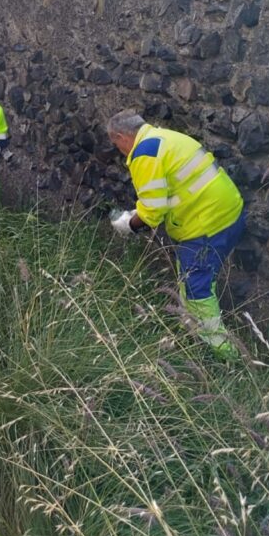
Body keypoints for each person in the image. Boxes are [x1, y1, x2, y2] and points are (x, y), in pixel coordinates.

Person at [107, 112, 246, 361]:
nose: (120, 151)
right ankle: (193, 331)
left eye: (117, 145)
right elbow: (168, 192)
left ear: (121, 136)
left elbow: (151, 214)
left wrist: (127, 225)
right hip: (229, 210)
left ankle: (227, 355)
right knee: (189, 276)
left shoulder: (144, 154)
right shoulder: (165, 138)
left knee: (196, 288)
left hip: (205, 224)